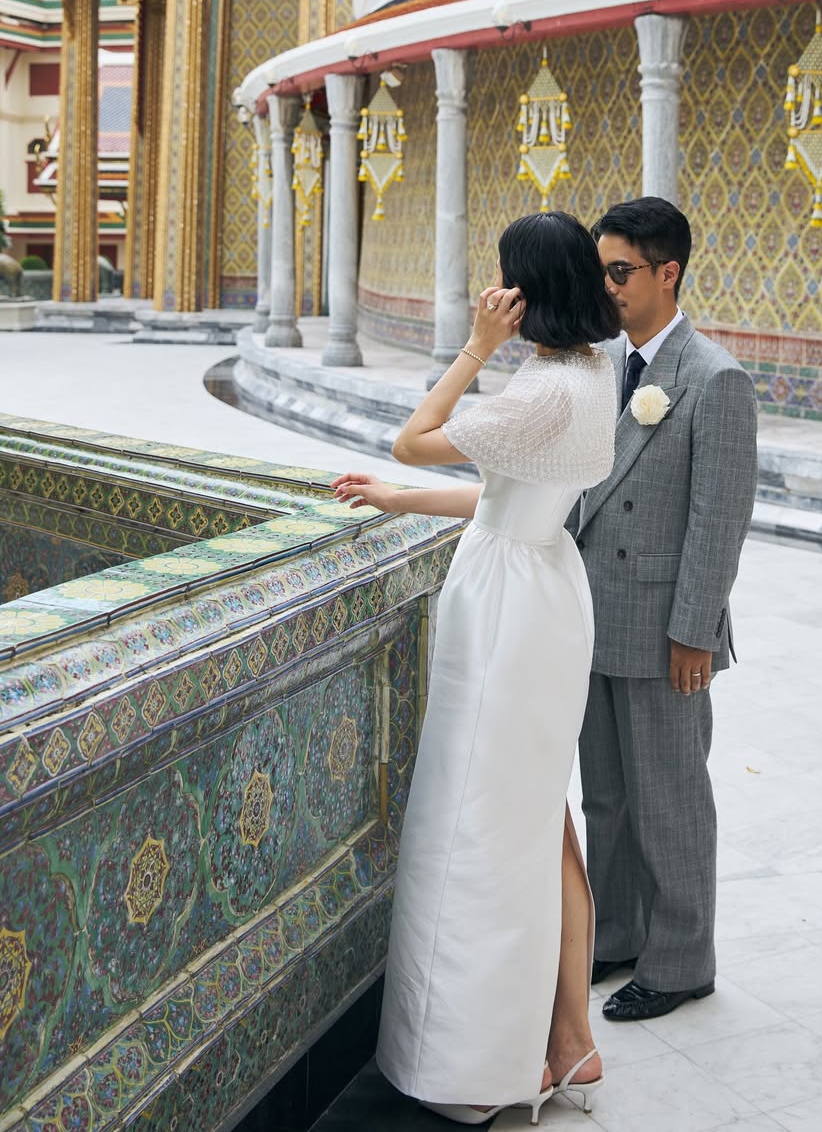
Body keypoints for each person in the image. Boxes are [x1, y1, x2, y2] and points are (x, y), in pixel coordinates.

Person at [331, 211, 621, 1125]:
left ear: (525, 291)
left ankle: (474, 1061)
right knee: (538, 820)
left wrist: (474, 348)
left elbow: (413, 436)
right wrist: (402, 501)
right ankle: (569, 1041)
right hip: (546, 581)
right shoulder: (592, 371)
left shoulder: (540, 390)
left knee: (482, 821)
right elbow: (510, 492)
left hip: (506, 608)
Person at [569, 196, 758, 1023]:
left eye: (621, 271)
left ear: (667, 272)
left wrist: (693, 635)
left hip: (663, 630)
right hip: (593, 615)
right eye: (602, 271)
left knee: (669, 799)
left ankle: (682, 961)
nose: (608, 286)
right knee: (605, 797)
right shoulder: (601, 363)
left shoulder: (714, 379)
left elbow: (719, 522)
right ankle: (617, 934)